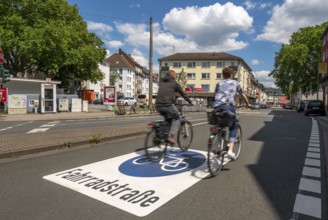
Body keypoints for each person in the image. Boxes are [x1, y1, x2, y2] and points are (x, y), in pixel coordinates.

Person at [213, 67, 250, 160]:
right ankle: (230, 151)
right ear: (232, 75)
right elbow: (243, 95)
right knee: (233, 127)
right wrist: (248, 104)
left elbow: (215, 95)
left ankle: (218, 143)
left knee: (219, 124)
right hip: (228, 106)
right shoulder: (236, 83)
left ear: (223, 75)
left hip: (217, 107)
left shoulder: (218, 83)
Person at [156, 70, 194, 144]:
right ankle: (171, 136)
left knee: (168, 119)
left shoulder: (161, 82)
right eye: (175, 76)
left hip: (158, 105)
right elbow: (183, 94)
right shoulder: (175, 84)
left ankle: (162, 136)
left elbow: (165, 93)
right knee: (177, 118)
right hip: (167, 104)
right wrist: (190, 102)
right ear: (174, 76)